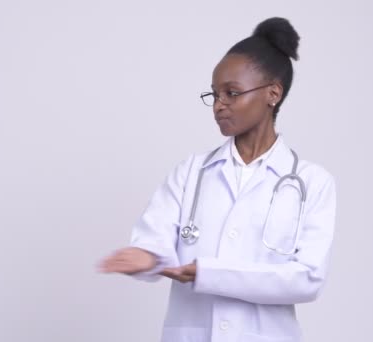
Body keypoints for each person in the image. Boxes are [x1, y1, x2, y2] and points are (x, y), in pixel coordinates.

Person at [99, 17, 336, 342]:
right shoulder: (191, 173)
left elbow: (306, 279)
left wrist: (208, 274)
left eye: (232, 93)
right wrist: (148, 256)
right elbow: (155, 238)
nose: (219, 106)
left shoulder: (311, 182)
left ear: (273, 93)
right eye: (214, 95)